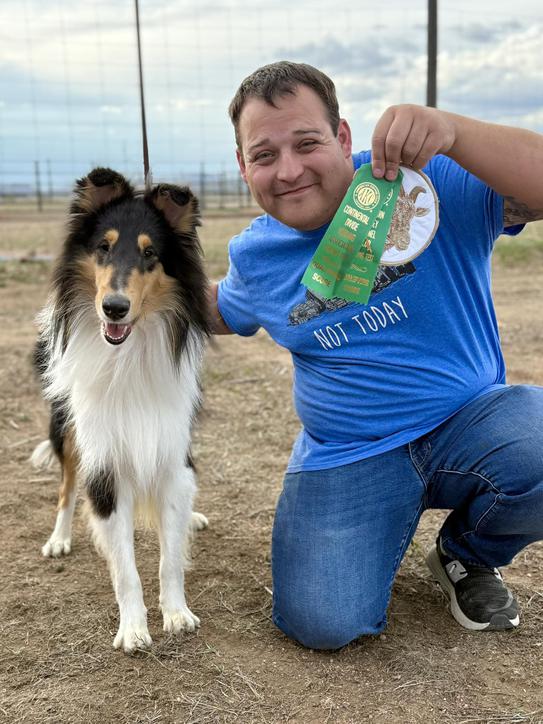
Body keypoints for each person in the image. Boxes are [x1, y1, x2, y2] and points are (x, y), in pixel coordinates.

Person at [209, 61, 543, 650]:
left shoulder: (425, 182)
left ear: (342, 137)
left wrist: (453, 131)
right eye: (264, 155)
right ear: (243, 167)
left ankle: (467, 556)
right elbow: (216, 310)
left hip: (471, 426)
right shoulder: (256, 256)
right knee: (322, 623)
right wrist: (131, 276)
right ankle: (376, 522)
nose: (288, 170)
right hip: (351, 454)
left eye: (306, 143)